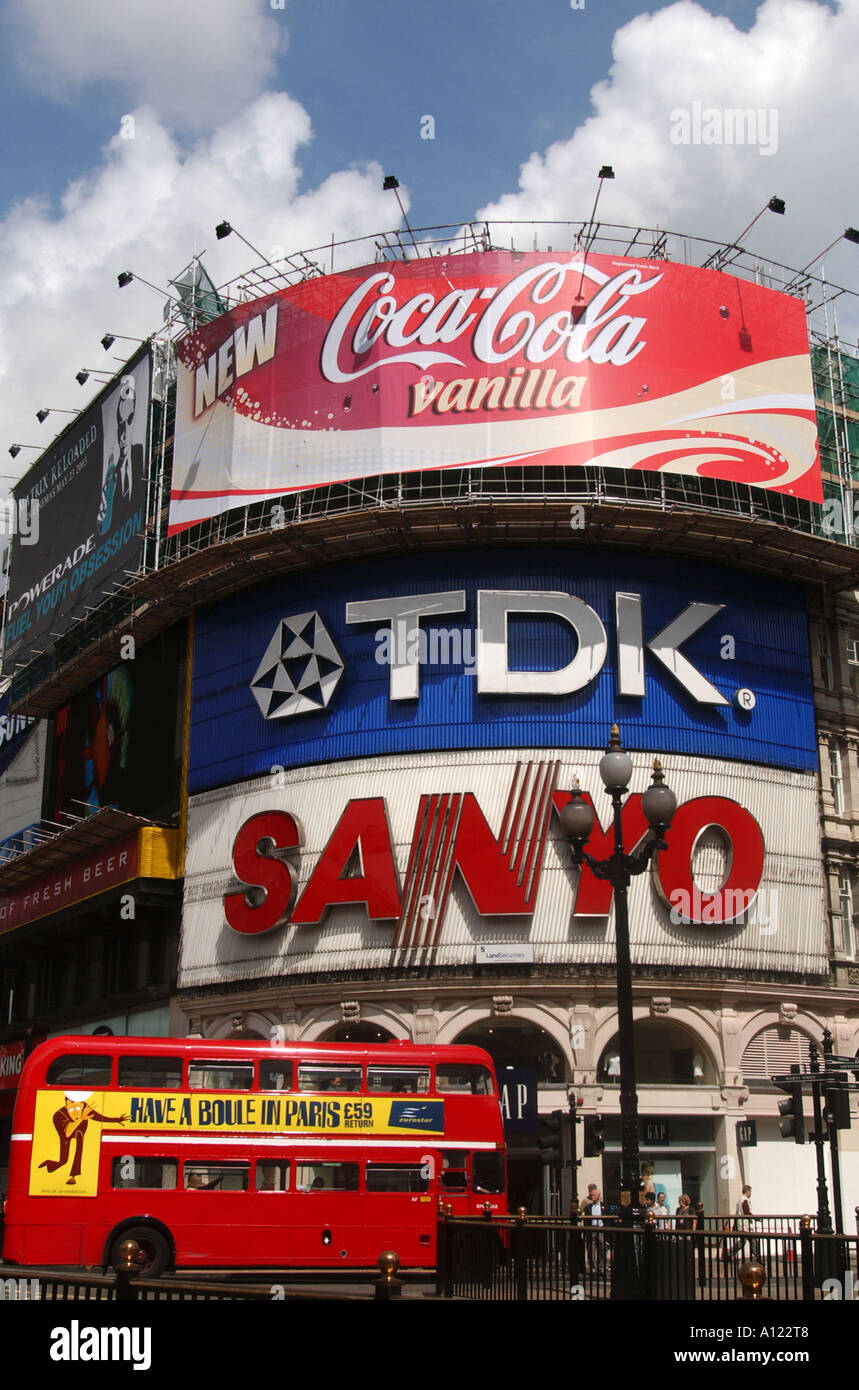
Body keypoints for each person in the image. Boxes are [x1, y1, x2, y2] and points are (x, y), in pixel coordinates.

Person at [581, 1183, 606, 1273]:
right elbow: (580, 1212)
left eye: (593, 1194)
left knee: (602, 1249)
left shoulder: (603, 1205)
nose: (592, 1196)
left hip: (600, 1229)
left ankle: (601, 1267)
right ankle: (593, 1268)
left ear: (598, 1195)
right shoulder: (587, 1204)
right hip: (591, 1229)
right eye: (591, 1194)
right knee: (591, 1249)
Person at [734, 1184, 759, 1258]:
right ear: (747, 1191)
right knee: (751, 1242)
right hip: (745, 1226)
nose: (751, 1193)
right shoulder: (744, 1200)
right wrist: (756, 1218)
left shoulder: (740, 1200)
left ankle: (728, 1253)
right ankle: (758, 1258)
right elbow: (747, 1212)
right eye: (750, 1191)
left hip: (742, 1225)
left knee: (745, 1242)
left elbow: (737, 1213)